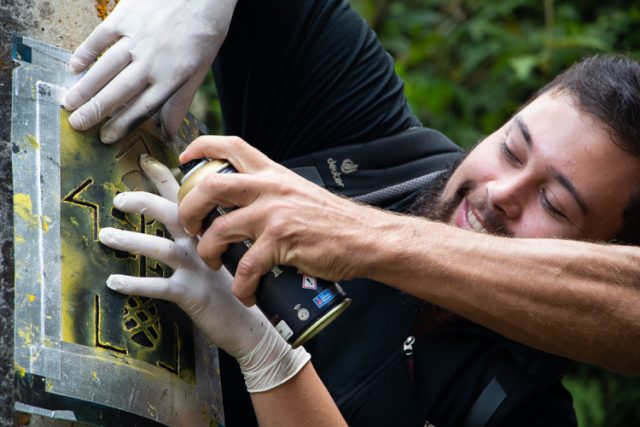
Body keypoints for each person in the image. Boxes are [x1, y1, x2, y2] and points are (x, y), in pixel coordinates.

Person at [64, 0, 640, 424]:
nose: (502, 192)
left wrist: (269, 360)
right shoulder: (373, 144)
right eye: (511, 148)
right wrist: (198, 10)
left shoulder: (518, 410)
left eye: (554, 204)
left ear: (597, 259)